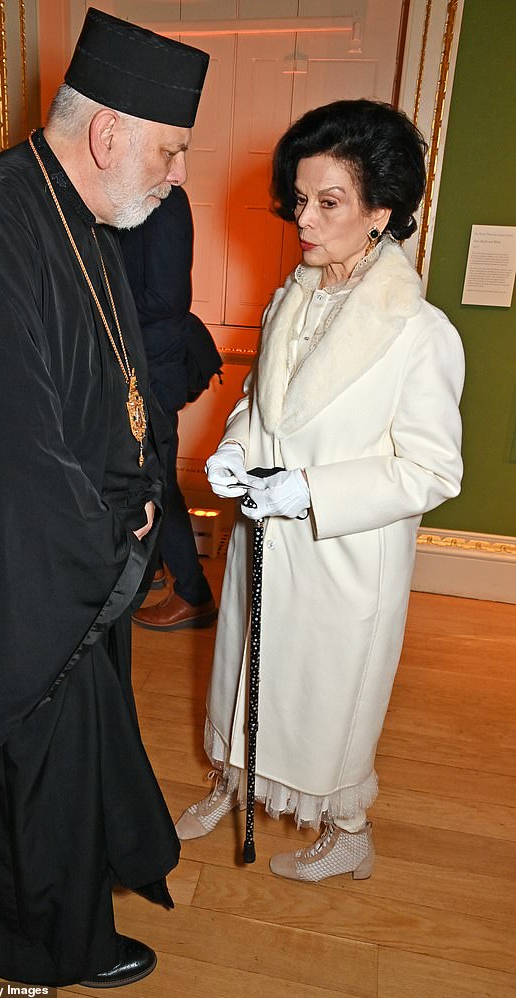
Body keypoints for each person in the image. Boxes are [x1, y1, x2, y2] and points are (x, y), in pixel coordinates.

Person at [0, 7, 208, 987]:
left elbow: (120, 382)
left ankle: (68, 898)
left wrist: (143, 488)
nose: (180, 171)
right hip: (17, 583)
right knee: (26, 773)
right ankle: (33, 942)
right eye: (172, 148)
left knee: (70, 766)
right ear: (109, 134)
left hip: (82, 553)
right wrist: (115, 532)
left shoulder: (83, 213)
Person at [175, 99, 464, 882]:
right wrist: (238, 450)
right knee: (243, 668)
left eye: (328, 202)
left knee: (328, 698)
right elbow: (261, 406)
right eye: (299, 198)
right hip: (264, 538)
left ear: (383, 211)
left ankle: (349, 829)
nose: (303, 218)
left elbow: (433, 469)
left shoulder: (421, 333)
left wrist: (306, 490)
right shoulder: (290, 298)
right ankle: (231, 781)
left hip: (342, 555)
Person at [119, 185, 219, 630]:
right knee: (144, 474)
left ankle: (192, 592)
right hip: (135, 362)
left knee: (159, 480)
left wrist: (93, 302)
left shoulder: (164, 201)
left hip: (154, 368)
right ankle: (152, 570)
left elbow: (166, 299)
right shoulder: (130, 196)